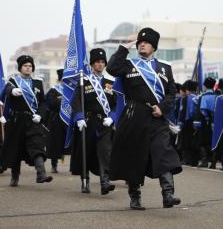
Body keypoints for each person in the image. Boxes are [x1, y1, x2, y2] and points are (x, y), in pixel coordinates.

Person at [106, 27, 182, 210]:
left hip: (157, 117)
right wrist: (124, 48)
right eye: (139, 42)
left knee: (163, 152)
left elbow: (171, 93)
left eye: (146, 42)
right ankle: (135, 197)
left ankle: (168, 194)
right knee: (134, 158)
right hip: (134, 116)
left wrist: (162, 109)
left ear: (154, 46)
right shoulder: (129, 64)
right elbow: (112, 68)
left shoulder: (165, 68)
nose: (141, 44)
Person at [0, 55, 53, 186]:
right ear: (20, 68)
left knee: (37, 145)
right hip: (17, 120)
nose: (28, 68)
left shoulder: (38, 83)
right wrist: (12, 91)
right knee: (15, 150)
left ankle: (41, 174)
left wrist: (40, 114)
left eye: (30, 66)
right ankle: (14, 177)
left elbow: (43, 103)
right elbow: (5, 90)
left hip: (32, 120)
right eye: (25, 66)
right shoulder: (13, 81)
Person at [70, 48, 116, 195]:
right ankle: (85, 180)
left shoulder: (110, 82)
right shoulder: (84, 81)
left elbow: (116, 104)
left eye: (103, 62)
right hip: (88, 123)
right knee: (86, 153)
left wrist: (113, 117)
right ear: (92, 64)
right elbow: (76, 101)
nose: (100, 65)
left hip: (104, 123)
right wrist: (79, 117)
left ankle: (105, 182)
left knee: (105, 152)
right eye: (97, 62)